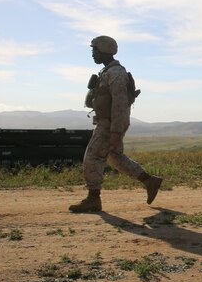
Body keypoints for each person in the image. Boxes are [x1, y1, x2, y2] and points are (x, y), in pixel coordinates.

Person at [69, 35, 163, 213]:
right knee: (115, 157)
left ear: (104, 50)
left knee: (93, 157)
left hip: (111, 123)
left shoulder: (116, 73)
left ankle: (93, 199)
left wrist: (115, 131)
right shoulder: (107, 72)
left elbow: (120, 105)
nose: (93, 54)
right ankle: (150, 181)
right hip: (108, 122)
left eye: (95, 50)